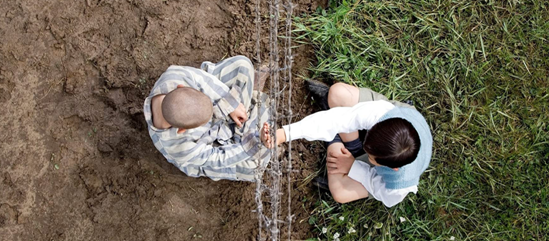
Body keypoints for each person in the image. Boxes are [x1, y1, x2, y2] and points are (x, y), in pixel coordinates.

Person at [265, 82, 432, 207]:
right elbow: (338, 120)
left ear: (392, 168)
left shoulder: (398, 186)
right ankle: (350, 146)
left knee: (340, 192)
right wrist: (284, 134)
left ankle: (338, 141)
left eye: (371, 157)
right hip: (395, 120)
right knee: (338, 93)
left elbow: (375, 185)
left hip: (384, 171)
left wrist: (353, 167)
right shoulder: (382, 113)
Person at [143, 56, 272, 181]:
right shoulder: (179, 147)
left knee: (242, 65)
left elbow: (205, 82)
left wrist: (231, 105)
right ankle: (247, 126)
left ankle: (244, 120)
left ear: (181, 87)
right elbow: (216, 158)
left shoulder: (174, 76)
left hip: (221, 106)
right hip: (208, 142)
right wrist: (249, 146)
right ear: (182, 130)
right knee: (254, 166)